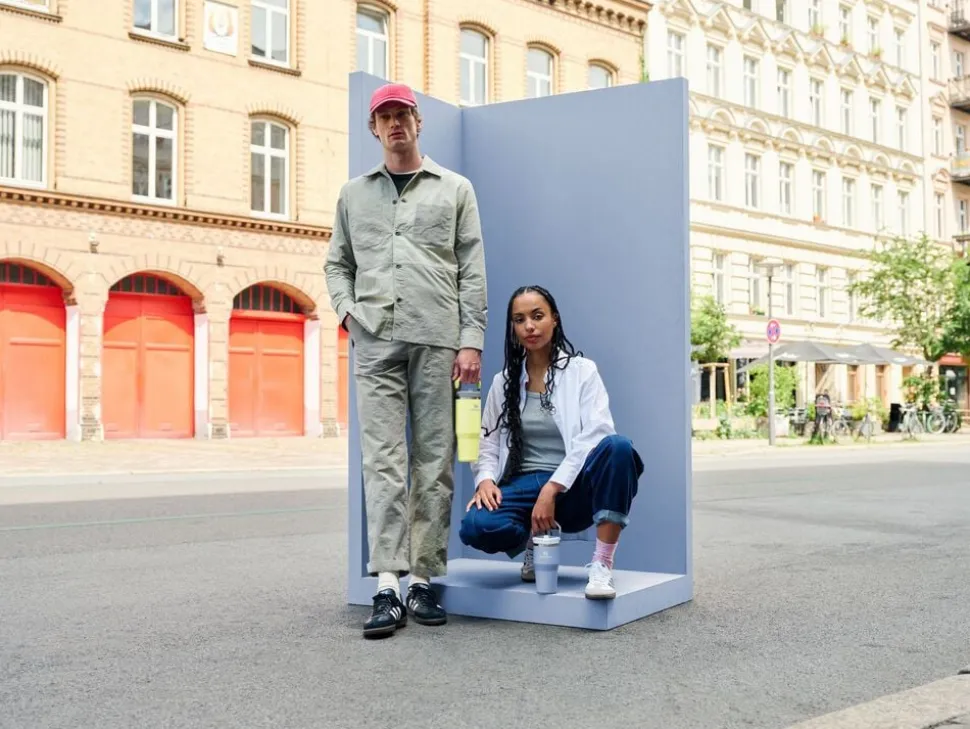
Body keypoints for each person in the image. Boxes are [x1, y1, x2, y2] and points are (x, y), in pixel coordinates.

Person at [325, 82, 488, 639]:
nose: (395, 123)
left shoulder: (456, 189)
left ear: (419, 122)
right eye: (384, 117)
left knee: (435, 459)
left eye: (403, 114)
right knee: (383, 461)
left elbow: (472, 267)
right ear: (374, 128)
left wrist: (471, 340)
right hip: (375, 340)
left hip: (437, 337)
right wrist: (349, 315)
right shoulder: (353, 195)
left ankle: (422, 578)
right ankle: (388, 585)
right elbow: (337, 264)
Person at [458, 286, 643, 599]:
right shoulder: (504, 382)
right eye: (520, 320)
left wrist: (552, 487)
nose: (529, 326)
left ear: (554, 319)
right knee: (476, 526)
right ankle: (535, 539)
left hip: (571, 487)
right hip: (522, 484)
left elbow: (597, 432)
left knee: (619, 448)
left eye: (537, 316)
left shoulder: (582, 371)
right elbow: (488, 440)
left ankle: (602, 565)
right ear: (513, 328)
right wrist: (485, 480)